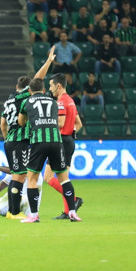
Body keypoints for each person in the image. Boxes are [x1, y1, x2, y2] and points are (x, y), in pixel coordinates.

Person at [0, 46, 55, 218]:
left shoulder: (9, 100)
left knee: (19, 175)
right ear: (26, 89)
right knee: (19, 177)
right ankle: (13, 212)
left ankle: (13, 211)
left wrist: (7, 138)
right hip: (18, 141)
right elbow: (38, 78)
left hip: (10, 140)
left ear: (16, 86)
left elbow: (2, 124)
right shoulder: (23, 97)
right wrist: (48, 62)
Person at [18, 78, 81, 223]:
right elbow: (59, 121)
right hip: (56, 141)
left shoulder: (27, 102)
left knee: (32, 177)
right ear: (44, 90)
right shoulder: (54, 102)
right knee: (64, 178)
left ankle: (33, 215)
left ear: (29, 91)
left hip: (39, 141)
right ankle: (72, 212)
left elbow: (21, 122)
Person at [47, 73, 85, 220]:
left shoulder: (61, 102)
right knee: (64, 178)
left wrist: (46, 125)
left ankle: (73, 199)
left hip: (61, 141)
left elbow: (60, 123)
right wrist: (72, 134)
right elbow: (79, 124)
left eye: (51, 85)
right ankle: (68, 210)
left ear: (58, 86)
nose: (50, 89)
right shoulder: (71, 101)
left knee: (48, 177)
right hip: (69, 141)